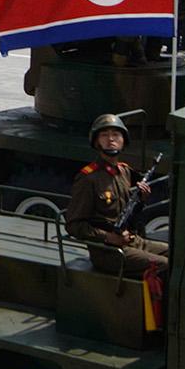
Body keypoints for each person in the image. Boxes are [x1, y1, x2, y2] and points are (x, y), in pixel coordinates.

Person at [64, 113, 169, 278]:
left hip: (131, 240)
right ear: (96, 141)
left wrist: (141, 200)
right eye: (104, 135)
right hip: (107, 252)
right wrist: (108, 237)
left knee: (176, 254)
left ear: (123, 140)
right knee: (164, 265)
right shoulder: (88, 178)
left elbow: (129, 213)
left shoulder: (124, 171)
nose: (110, 139)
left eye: (115, 134)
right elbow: (74, 225)